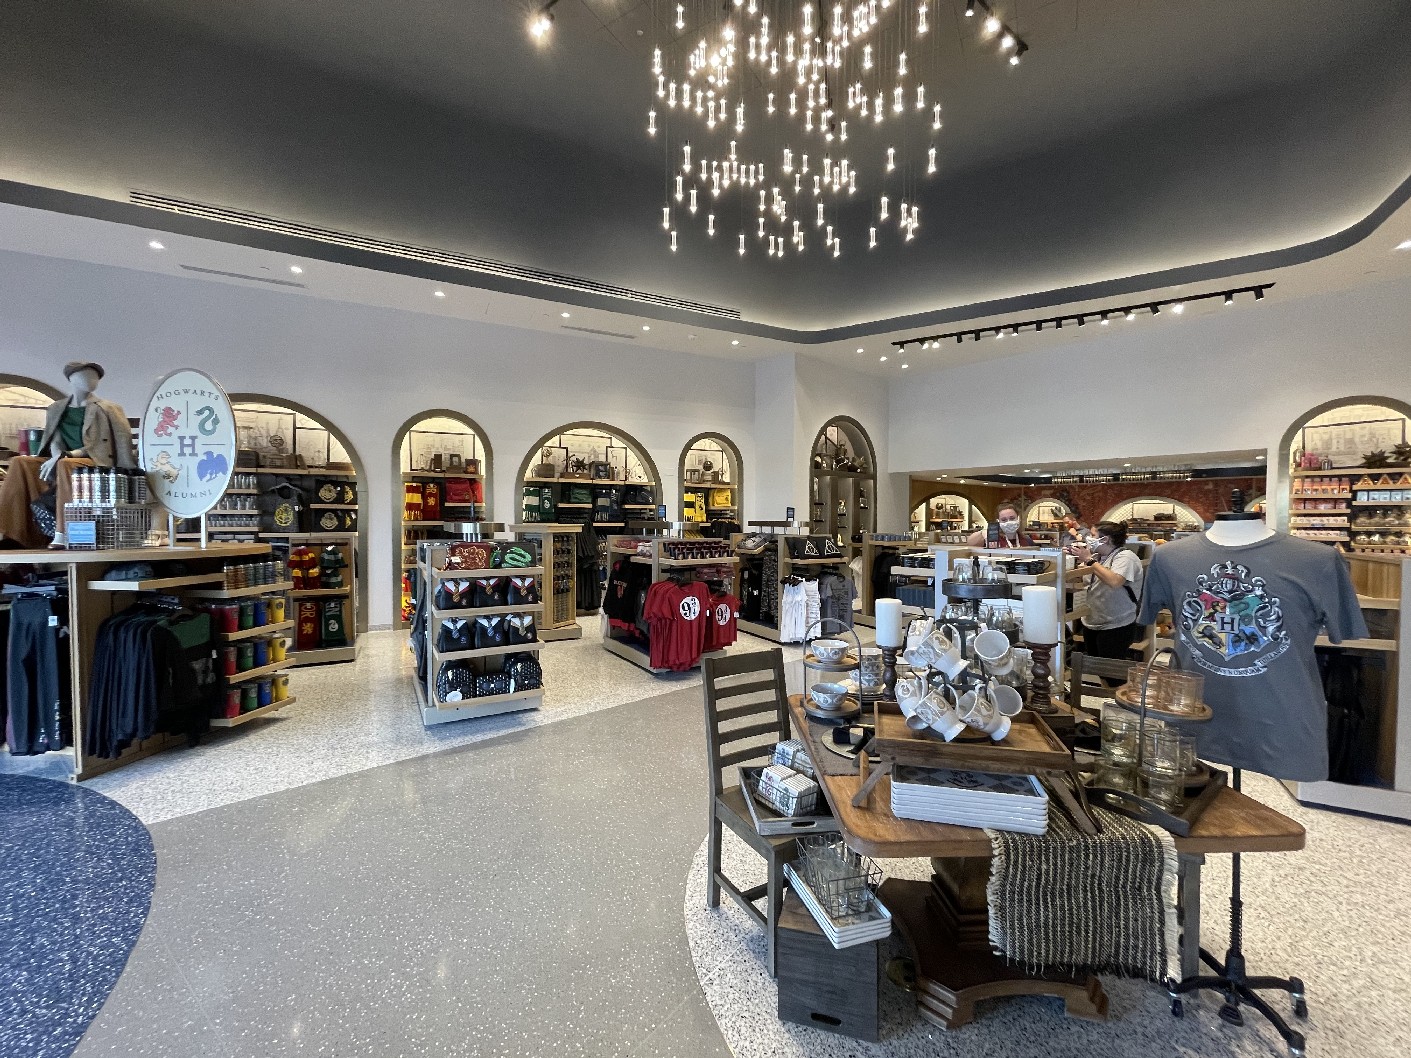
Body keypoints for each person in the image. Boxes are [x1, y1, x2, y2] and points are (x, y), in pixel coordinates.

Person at [1067, 520, 1145, 659]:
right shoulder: (1097, 557)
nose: (1089, 538)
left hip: (1116, 625)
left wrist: (1089, 561)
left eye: (1093, 535)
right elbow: (1080, 579)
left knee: (1110, 670)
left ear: (1105, 539)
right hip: (1092, 622)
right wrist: (1068, 558)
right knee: (1095, 666)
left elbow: (1114, 581)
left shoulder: (1126, 557)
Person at [967, 501, 1031, 549]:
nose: (1008, 522)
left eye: (1012, 518)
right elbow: (970, 543)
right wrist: (983, 533)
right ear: (998, 521)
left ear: (1018, 518)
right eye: (1004, 520)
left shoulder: (1027, 540)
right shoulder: (992, 539)